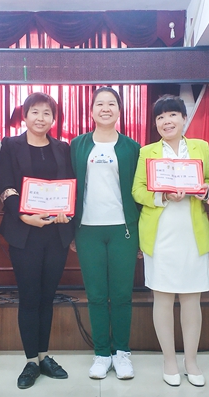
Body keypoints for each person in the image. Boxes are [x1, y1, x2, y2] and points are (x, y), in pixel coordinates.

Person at [132, 95, 209, 387]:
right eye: (160, 117)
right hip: (160, 235)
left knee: (192, 300)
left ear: (183, 118)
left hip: (192, 235)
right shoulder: (147, 151)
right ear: (155, 123)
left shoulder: (201, 147)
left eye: (172, 115)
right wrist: (163, 195)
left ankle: (191, 361)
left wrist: (201, 189)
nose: (167, 121)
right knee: (163, 299)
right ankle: (169, 360)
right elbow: (138, 191)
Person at [0, 92, 74, 389]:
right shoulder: (10, 145)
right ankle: (31, 360)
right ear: (25, 115)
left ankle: (44, 356)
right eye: (35, 112)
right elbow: (6, 185)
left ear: (53, 118)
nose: (41, 118)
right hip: (25, 232)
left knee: (47, 296)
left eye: (47, 113)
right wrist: (23, 215)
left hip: (55, 233)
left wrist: (67, 211)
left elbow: (69, 186)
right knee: (29, 296)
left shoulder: (63, 148)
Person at [70, 87, 141, 380]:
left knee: (122, 294)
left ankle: (121, 353)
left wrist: (140, 232)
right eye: (100, 104)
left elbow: (138, 190)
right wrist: (70, 230)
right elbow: (70, 186)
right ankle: (101, 353)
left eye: (112, 103)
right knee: (96, 295)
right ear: (91, 111)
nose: (106, 108)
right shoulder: (77, 145)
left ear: (120, 111)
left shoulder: (132, 147)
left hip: (123, 229)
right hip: (87, 229)